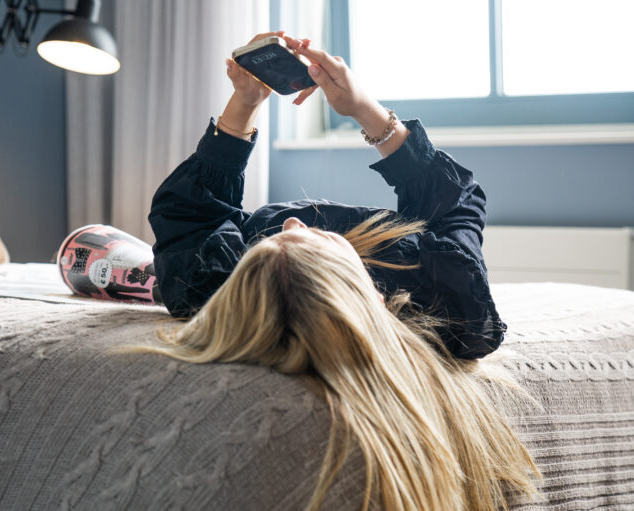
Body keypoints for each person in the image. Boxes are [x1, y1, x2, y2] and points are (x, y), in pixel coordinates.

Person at [146, 32, 539, 511]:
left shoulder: (215, 287)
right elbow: (457, 203)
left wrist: (245, 102)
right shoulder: (447, 299)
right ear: (368, 292)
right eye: (306, 240)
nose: (291, 223)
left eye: (269, 245)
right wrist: (365, 110)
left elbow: (188, 214)